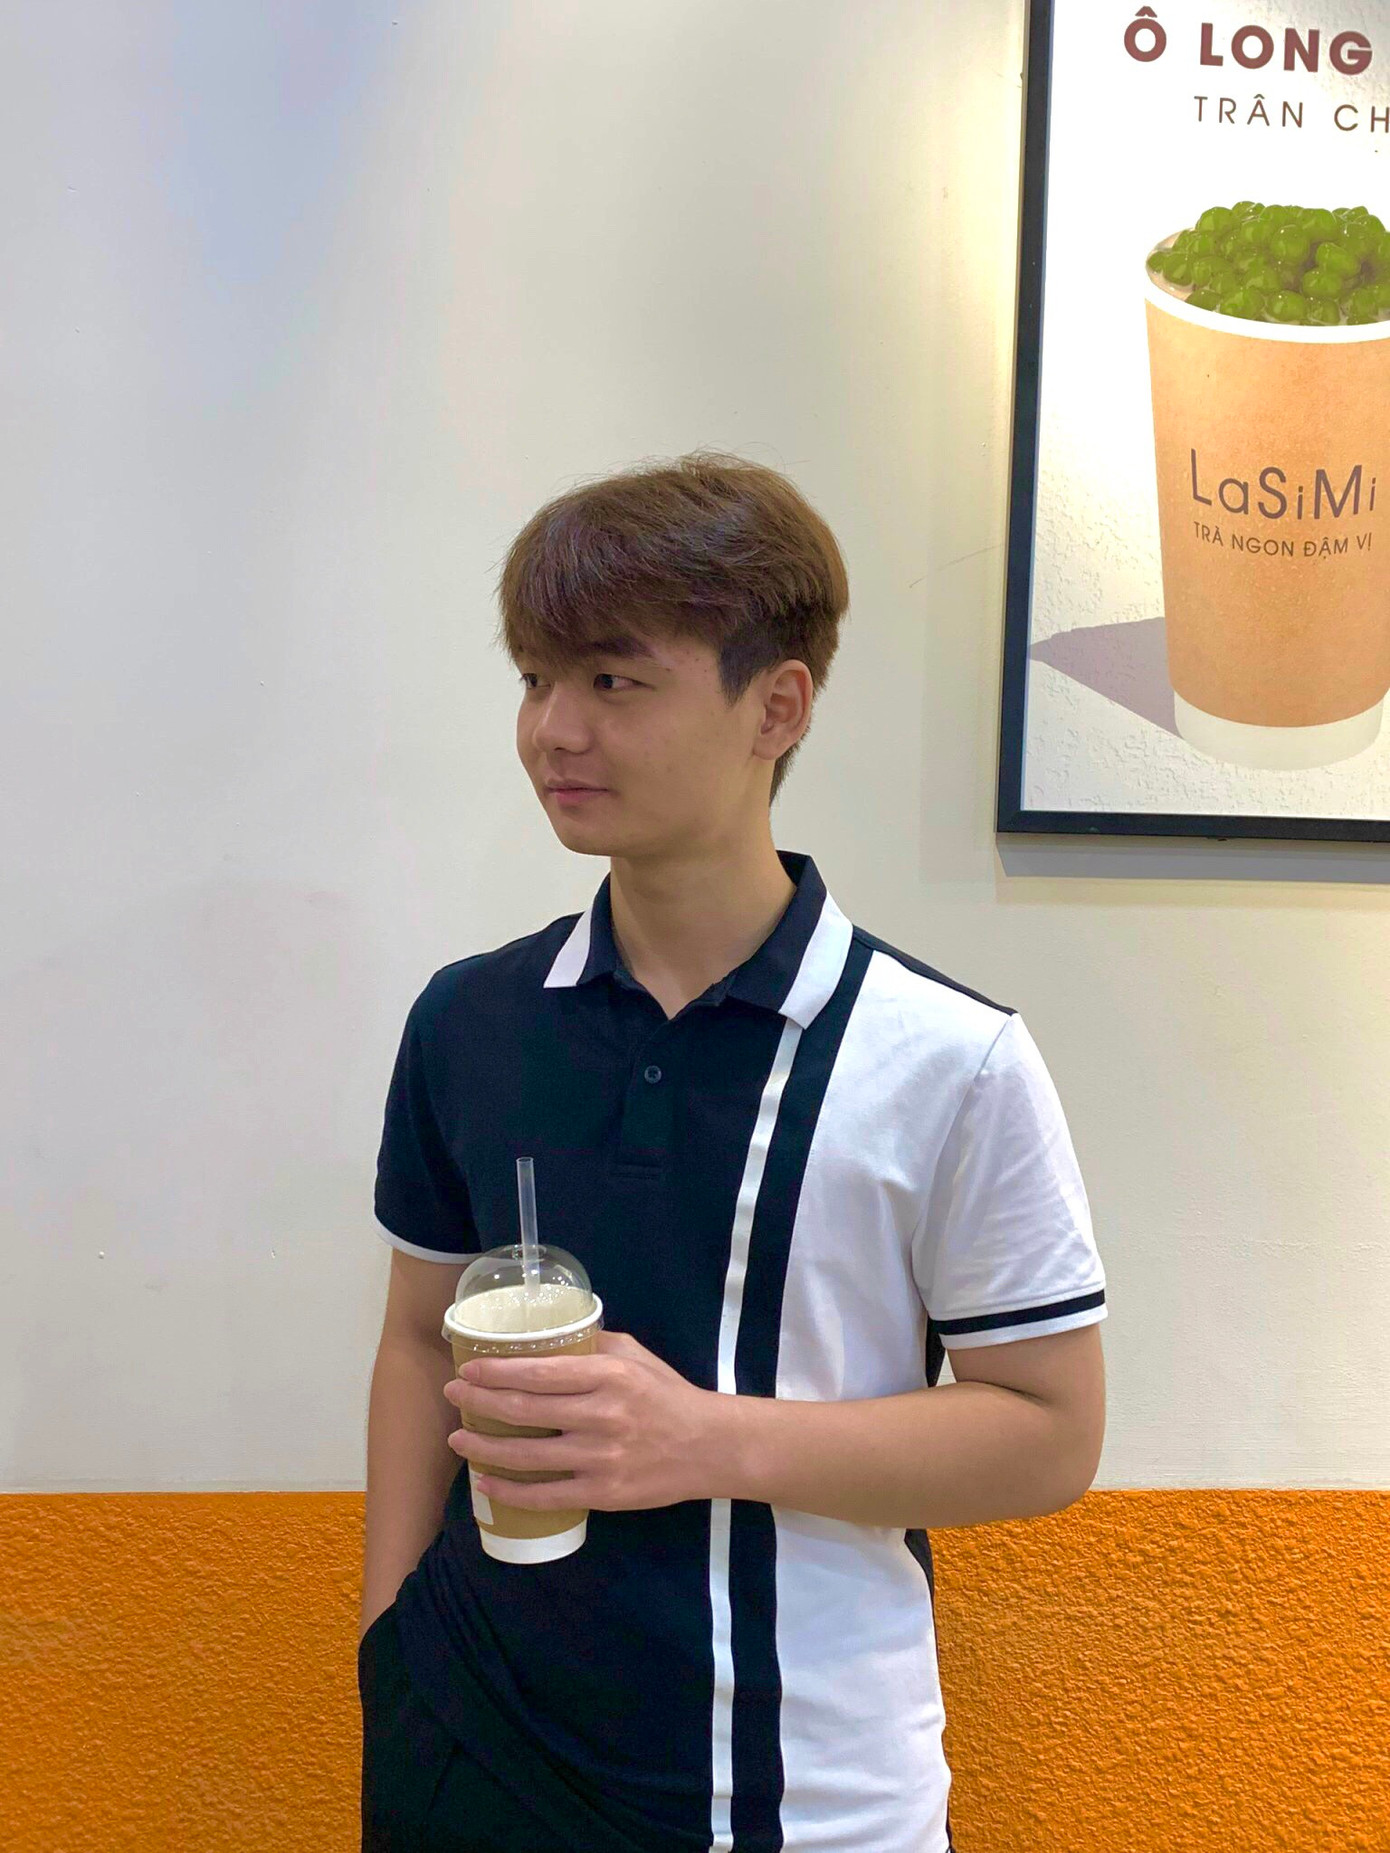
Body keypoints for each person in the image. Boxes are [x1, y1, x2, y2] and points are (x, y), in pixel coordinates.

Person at [358, 450, 1108, 1853]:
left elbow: (1049, 1433)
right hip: (471, 1750)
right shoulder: (469, 1020)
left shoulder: (947, 1059)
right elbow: (415, 1338)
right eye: (535, 677)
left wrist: (700, 1437)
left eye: (612, 679)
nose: (553, 729)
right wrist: (390, 1640)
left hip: (806, 1792)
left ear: (778, 705)